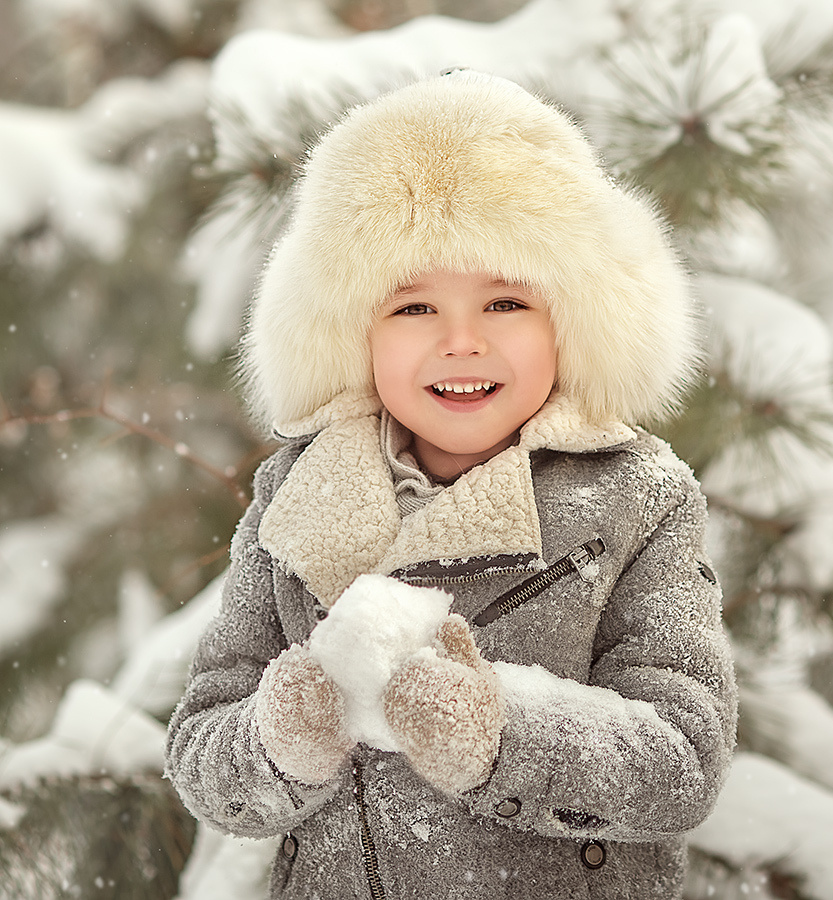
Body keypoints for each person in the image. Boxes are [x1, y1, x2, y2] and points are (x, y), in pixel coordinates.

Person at [165, 69, 737, 900]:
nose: (461, 341)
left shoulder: (638, 497)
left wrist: (500, 734)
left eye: (505, 301)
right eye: (413, 308)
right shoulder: (295, 492)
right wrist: (274, 742)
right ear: (348, 333)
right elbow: (202, 752)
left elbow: (683, 761)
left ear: (575, 321)